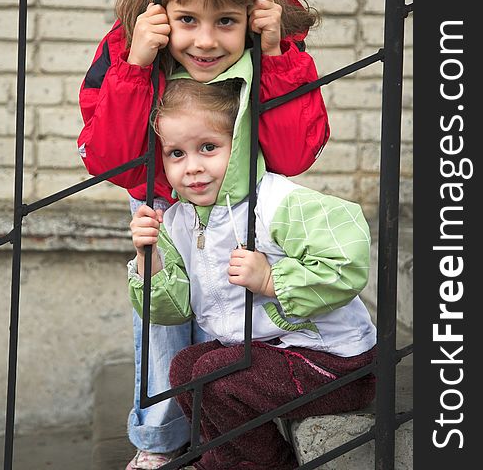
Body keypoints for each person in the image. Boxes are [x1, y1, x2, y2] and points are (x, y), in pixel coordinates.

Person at [77, 0, 330, 469]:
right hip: (163, 201)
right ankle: (160, 441)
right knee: (166, 319)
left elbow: (293, 154)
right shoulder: (127, 46)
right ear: (161, 11)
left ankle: (231, 426)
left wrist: (277, 54)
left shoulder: (274, 45)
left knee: (236, 312)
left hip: (243, 207)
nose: (207, 41)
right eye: (188, 20)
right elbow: (111, 161)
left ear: (250, 15)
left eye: (226, 22)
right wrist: (137, 66)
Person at [128, 75, 377, 470]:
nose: (192, 167)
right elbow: (171, 311)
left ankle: (263, 465)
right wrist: (149, 256)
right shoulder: (177, 221)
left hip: (332, 361)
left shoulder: (274, 202)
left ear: (239, 144)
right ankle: (223, 459)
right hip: (265, 353)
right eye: (176, 153)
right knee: (184, 367)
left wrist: (271, 279)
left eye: (208, 148)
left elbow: (346, 257)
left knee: (213, 373)